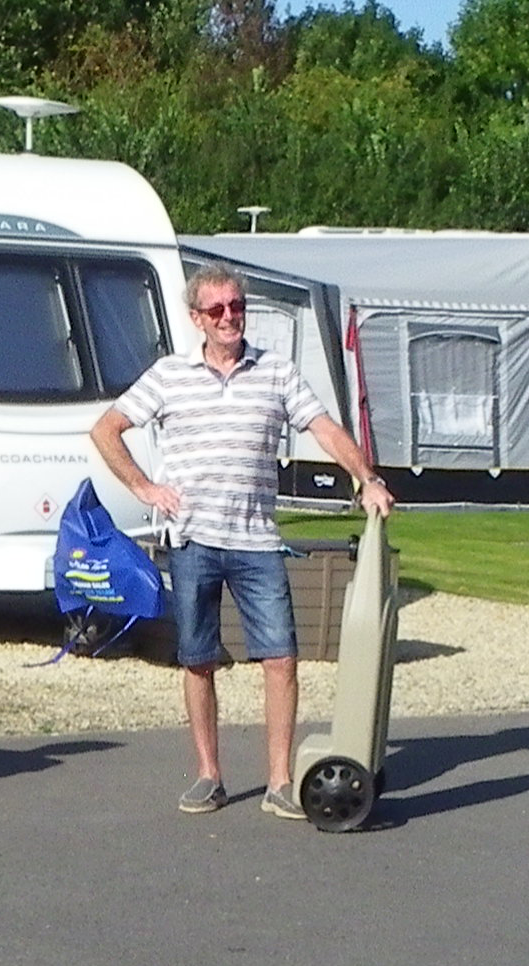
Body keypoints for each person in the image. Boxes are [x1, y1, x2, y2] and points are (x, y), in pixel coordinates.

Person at [89, 262, 394, 819]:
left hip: (257, 540)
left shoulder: (275, 373)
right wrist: (144, 487)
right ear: (196, 318)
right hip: (192, 539)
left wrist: (366, 477)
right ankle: (210, 776)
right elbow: (106, 430)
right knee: (198, 659)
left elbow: (323, 427)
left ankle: (279, 782)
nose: (230, 317)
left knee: (280, 658)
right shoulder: (168, 375)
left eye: (237, 307)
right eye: (217, 310)